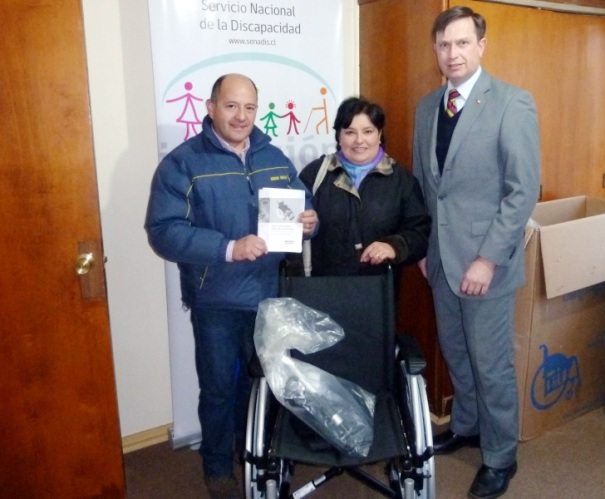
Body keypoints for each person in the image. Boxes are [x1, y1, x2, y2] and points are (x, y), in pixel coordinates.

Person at [145, 73, 318, 499]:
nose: (241, 116)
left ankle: (256, 454)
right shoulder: (183, 162)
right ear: (211, 107)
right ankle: (218, 468)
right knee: (220, 387)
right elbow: (163, 231)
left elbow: (303, 209)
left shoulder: (274, 157)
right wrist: (228, 248)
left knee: (264, 386)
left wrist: (310, 223)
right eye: (231, 106)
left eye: (249, 107)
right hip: (216, 300)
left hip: (268, 297)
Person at [412, 7, 540, 499]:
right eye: (444, 45)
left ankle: (501, 455)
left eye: (463, 43)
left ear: (481, 46)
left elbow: (522, 189)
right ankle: (466, 426)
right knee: (458, 354)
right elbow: (427, 187)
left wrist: (487, 258)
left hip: (487, 261)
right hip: (441, 260)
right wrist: (427, 249)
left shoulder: (512, 103)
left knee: (491, 364)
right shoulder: (429, 107)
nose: (453, 54)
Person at [297, 96, 430, 281]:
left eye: (368, 131)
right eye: (350, 132)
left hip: (378, 291)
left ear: (379, 133)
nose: (359, 140)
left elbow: (420, 234)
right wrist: (302, 226)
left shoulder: (401, 180)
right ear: (339, 136)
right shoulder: (315, 175)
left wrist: (393, 246)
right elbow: (289, 230)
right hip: (321, 290)